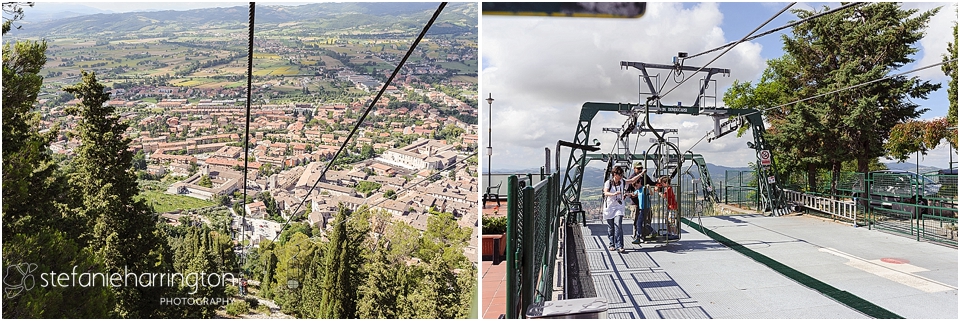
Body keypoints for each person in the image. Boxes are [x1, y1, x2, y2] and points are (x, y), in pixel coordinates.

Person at [603, 166, 627, 253]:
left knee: (618, 224)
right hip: (610, 207)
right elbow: (605, 192)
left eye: (622, 174)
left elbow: (632, 181)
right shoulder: (608, 183)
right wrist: (614, 194)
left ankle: (619, 245)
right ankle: (611, 244)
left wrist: (641, 174)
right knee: (611, 227)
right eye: (619, 174)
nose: (621, 176)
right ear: (614, 174)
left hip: (619, 206)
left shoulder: (622, 182)